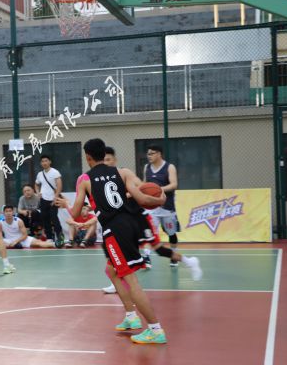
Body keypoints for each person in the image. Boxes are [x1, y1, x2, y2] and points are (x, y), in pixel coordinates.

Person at [56, 138, 169, 344]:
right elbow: (143, 198)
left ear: (88, 157)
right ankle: (131, 316)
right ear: (104, 154)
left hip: (115, 232)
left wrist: (65, 204)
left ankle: (155, 329)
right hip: (131, 225)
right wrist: (160, 199)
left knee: (131, 280)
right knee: (111, 271)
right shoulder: (122, 172)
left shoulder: (85, 179)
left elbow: (75, 214)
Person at [101, 147, 202, 293]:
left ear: (114, 160)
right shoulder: (101, 180)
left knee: (159, 249)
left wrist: (129, 194)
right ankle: (116, 282)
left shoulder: (124, 173)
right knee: (116, 249)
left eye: (108, 159)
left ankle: (190, 262)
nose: (106, 162)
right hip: (123, 221)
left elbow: (141, 186)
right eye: (103, 160)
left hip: (139, 218)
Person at [143, 145, 181, 267]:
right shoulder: (147, 167)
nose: (149, 156)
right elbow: (145, 185)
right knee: (149, 233)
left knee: (171, 233)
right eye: (148, 154)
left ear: (159, 154)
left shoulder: (169, 167)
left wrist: (158, 190)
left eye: (152, 153)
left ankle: (174, 255)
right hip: (151, 208)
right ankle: (146, 257)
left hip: (167, 207)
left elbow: (174, 184)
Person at [35, 155, 63, 242]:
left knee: (54, 218)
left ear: (50, 162)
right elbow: (36, 184)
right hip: (43, 199)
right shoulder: (40, 174)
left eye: (46, 161)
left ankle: (60, 237)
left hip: (53, 199)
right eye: (42, 161)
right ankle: (49, 238)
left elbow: (59, 185)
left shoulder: (55, 172)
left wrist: (56, 197)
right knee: (45, 219)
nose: (44, 163)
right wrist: (38, 192)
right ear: (41, 163)